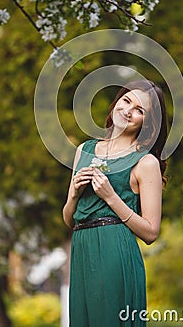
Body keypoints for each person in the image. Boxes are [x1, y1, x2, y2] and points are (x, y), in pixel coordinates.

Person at [62, 79, 168, 327]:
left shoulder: (145, 163)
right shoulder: (84, 150)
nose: (128, 111)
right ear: (116, 103)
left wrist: (111, 196)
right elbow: (69, 219)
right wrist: (75, 195)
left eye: (140, 110)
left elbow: (151, 232)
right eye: (126, 100)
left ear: (148, 123)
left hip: (114, 251)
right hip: (81, 248)